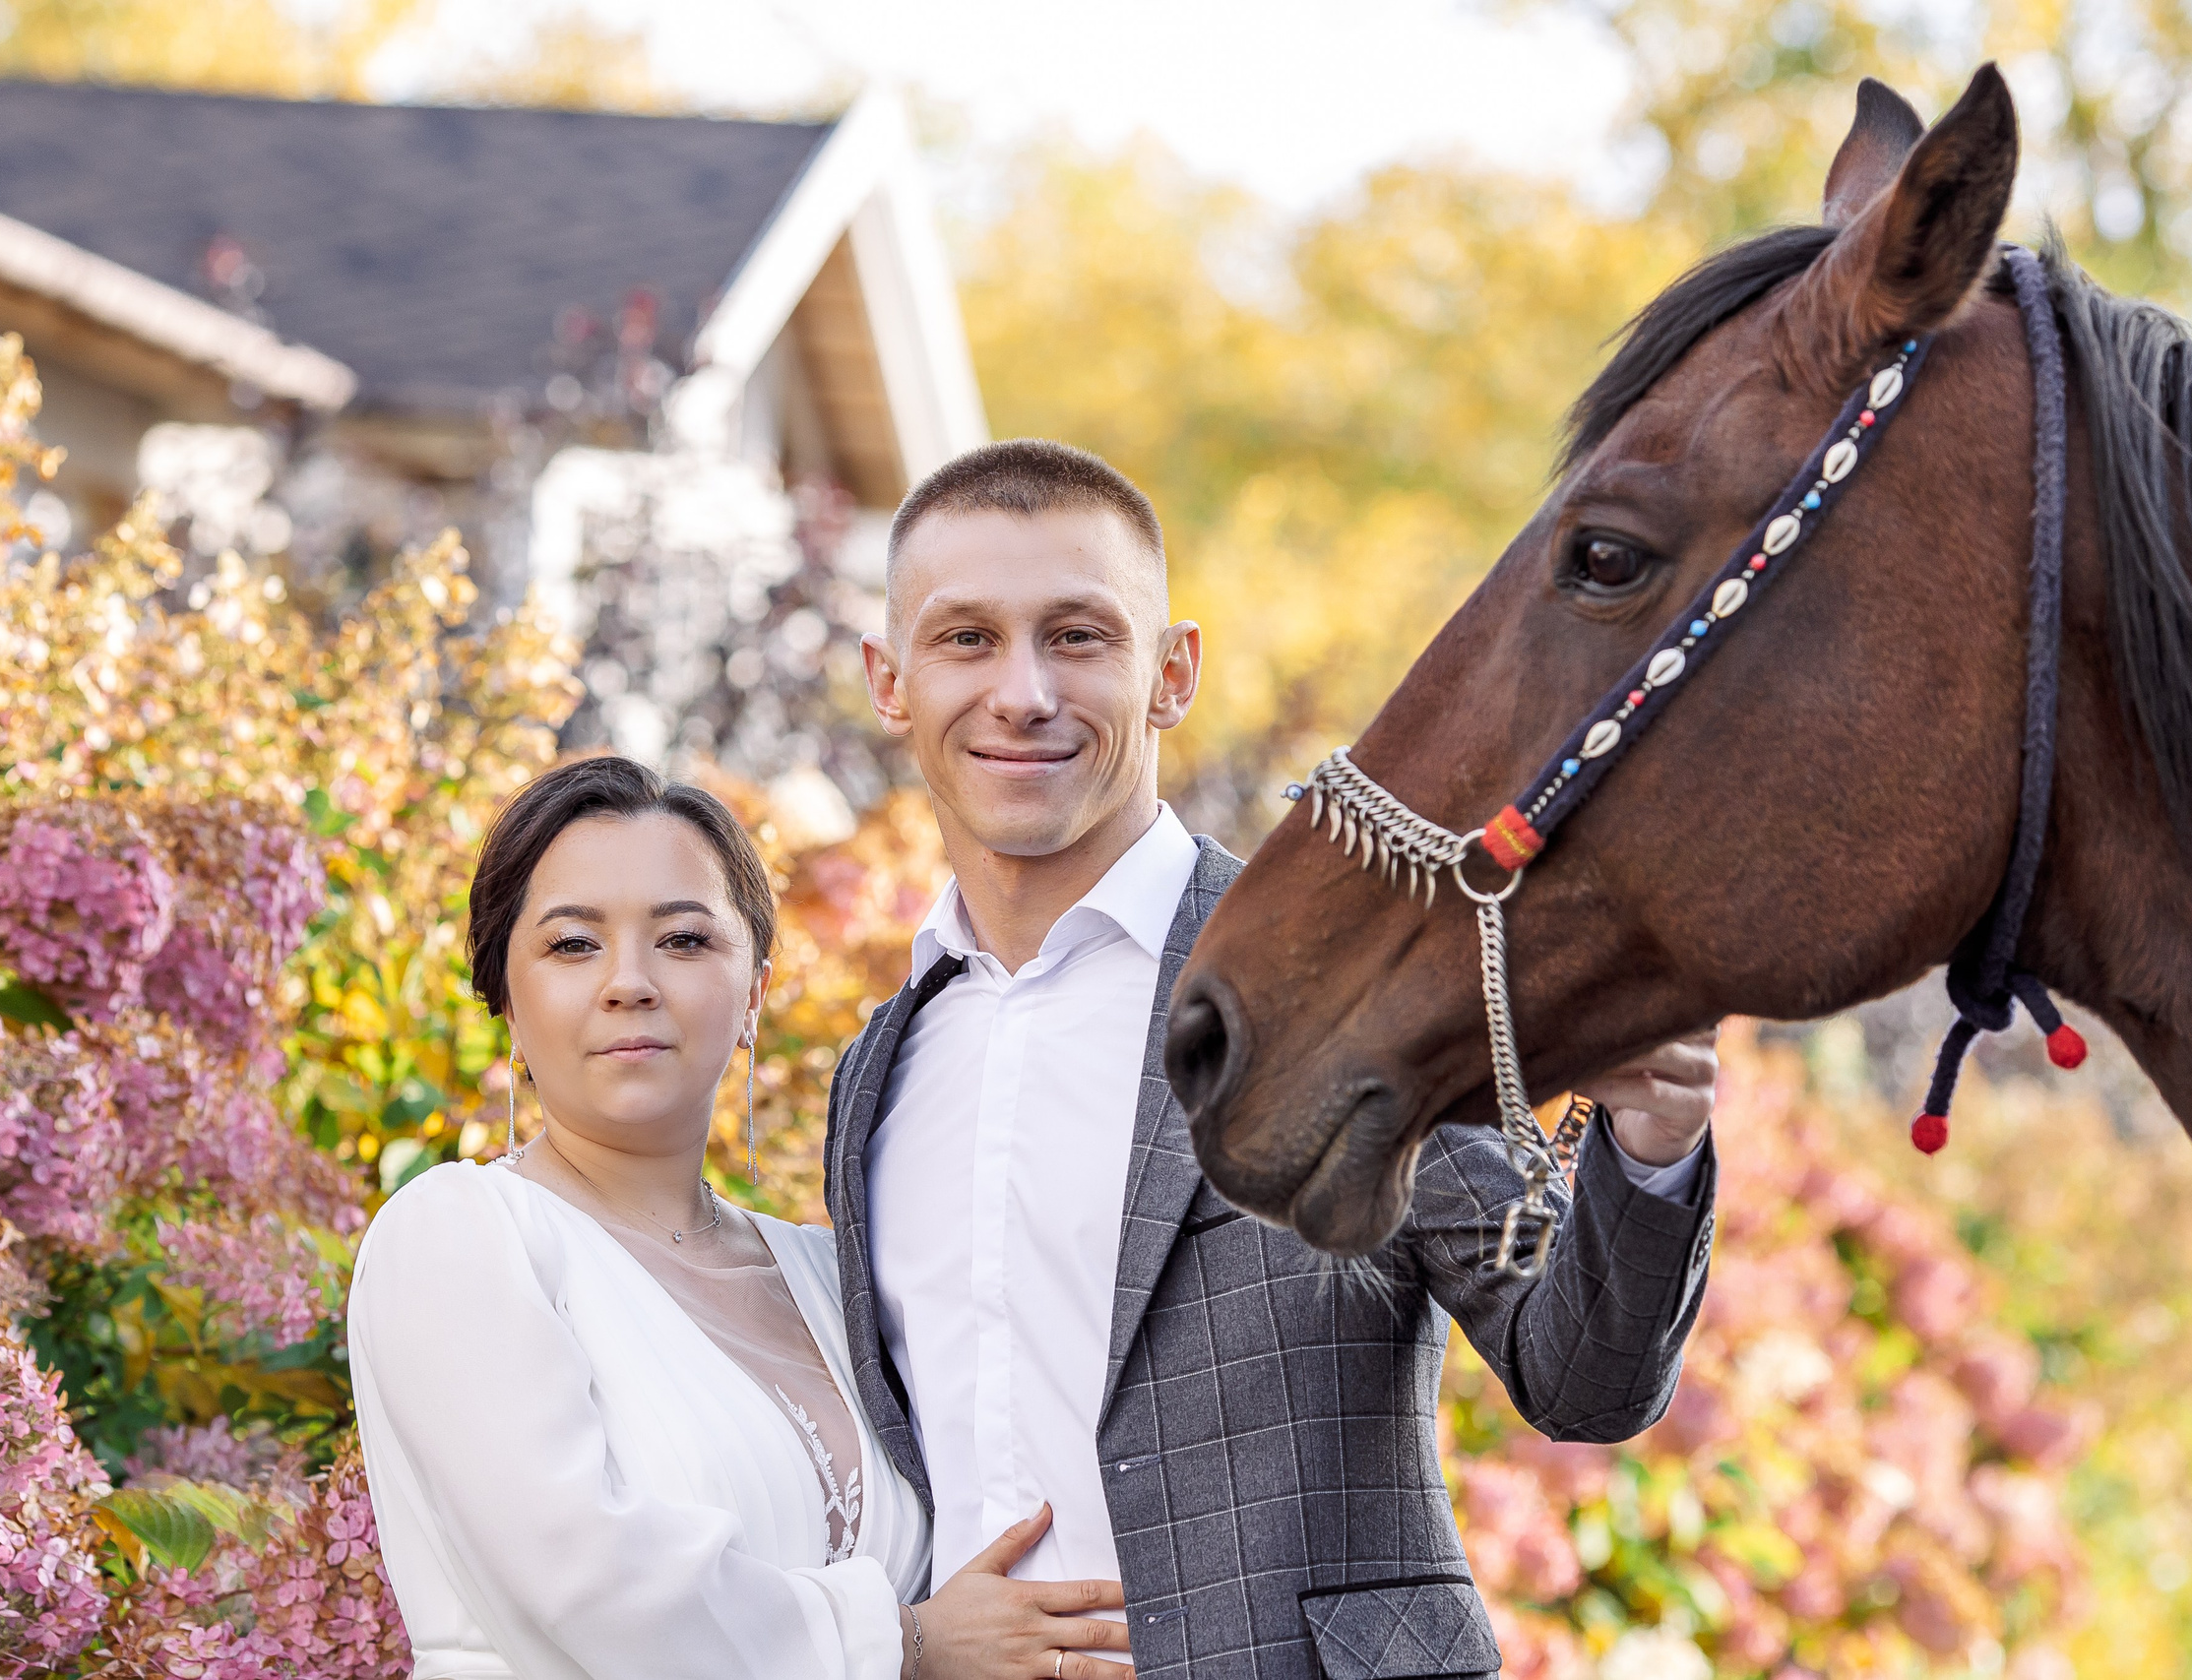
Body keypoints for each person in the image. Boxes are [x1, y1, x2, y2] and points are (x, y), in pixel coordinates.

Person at [827, 441, 1724, 1679]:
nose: (1022, 691)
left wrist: (1653, 1146)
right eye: (965, 639)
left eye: (1079, 636)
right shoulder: (878, 1068)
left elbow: (1582, 1379)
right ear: (889, 680)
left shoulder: (1355, 980)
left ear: (1171, 672)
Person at [347, 756, 1133, 1680]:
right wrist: (907, 1645)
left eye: (683, 939)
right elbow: (585, 1584)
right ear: (506, 1000)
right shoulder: (459, 1239)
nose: (629, 981)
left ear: (754, 988)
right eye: (572, 945)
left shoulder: (827, 1274)